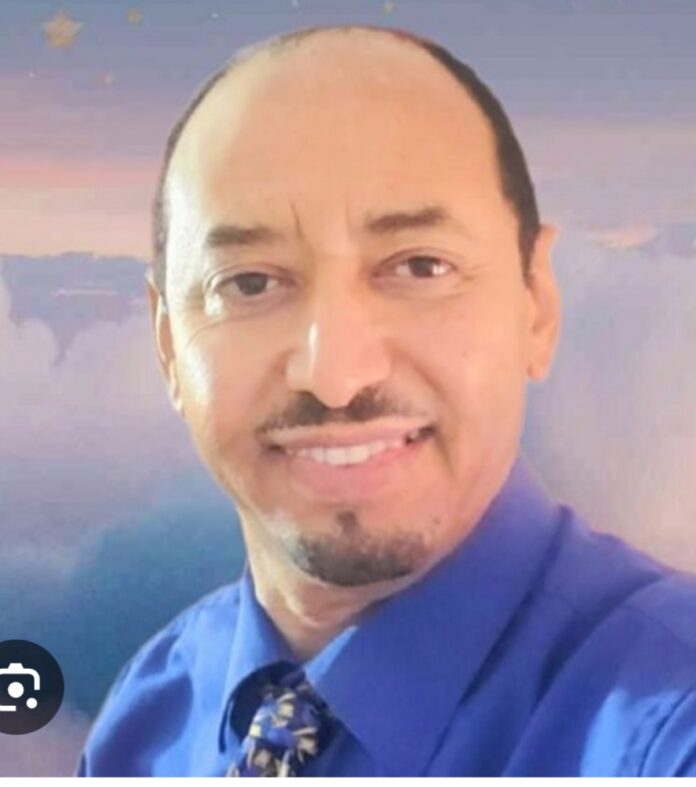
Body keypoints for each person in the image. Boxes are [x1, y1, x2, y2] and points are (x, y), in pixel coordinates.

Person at [76, 25, 696, 776]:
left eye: (420, 266)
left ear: (536, 304)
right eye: (250, 282)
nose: (335, 374)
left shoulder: (669, 725)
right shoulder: (148, 717)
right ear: (169, 345)